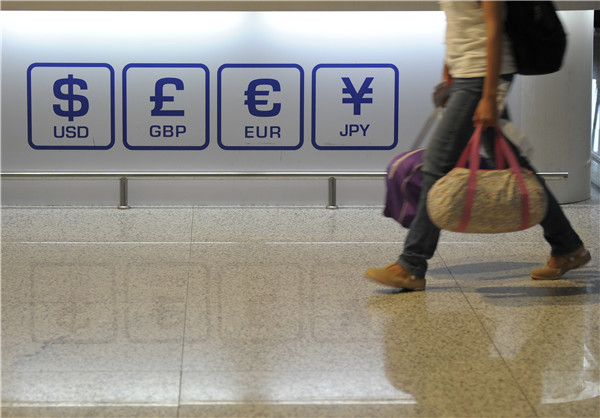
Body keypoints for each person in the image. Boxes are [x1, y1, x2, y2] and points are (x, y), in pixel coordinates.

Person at [365, 1, 591, 291]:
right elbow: (457, 22)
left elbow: (493, 29)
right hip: (467, 74)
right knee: (512, 166)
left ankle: (411, 265)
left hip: (482, 76)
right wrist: (449, 73)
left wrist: (488, 95)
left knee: (435, 166)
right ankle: (568, 247)